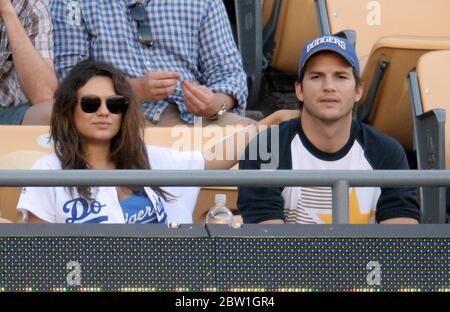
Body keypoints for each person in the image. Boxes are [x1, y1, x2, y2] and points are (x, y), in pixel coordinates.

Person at [17, 60, 244, 224]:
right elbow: (41, 256)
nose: (104, 112)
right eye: (90, 104)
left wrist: (273, 124)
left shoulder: (148, 157)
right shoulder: (48, 171)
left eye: (115, 104)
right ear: (69, 110)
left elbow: (214, 159)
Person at [237, 35, 421, 224]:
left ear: (358, 90)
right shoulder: (266, 149)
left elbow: (401, 244)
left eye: (341, 77)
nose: (329, 87)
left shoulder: (386, 151)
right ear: (299, 90)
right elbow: (268, 246)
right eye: (316, 77)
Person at [49, 0, 251, 127]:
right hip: (119, 118)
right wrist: (129, 90)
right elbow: (69, 78)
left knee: (266, 145)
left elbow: (229, 74)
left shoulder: (203, 3)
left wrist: (215, 104)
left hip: (201, 119)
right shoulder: (72, 4)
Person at [0, 0, 57, 124]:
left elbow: (45, 94)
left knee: (52, 112)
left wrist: (7, 11)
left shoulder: (33, 6)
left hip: (5, 113)